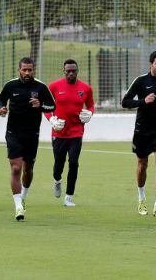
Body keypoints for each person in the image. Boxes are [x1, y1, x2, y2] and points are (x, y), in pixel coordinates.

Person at [0, 57, 56, 221]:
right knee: (16, 168)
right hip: (13, 133)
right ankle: (18, 207)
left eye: (30, 70)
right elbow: (2, 99)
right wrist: (2, 108)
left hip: (32, 134)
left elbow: (52, 105)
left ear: (33, 70)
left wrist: (41, 105)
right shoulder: (11, 86)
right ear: (19, 70)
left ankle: (23, 196)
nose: (27, 73)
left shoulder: (40, 87)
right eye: (24, 70)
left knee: (28, 169)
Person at [122, 50, 156, 217]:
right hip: (142, 131)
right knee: (142, 165)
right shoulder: (140, 81)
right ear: (151, 64)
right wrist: (143, 101)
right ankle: (141, 198)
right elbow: (125, 102)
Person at [47, 59, 94, 207]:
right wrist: (51, 119)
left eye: (74, 71)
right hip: (59, 132)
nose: (71, 73)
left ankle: (69, 197)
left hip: (76, 132)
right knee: (58, 165)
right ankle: (57, 180)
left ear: (77, 71)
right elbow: (46, 106)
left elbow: (91, 105)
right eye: (68, 71)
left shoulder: (85, 88)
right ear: (64, 71)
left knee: (73, 163)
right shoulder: (54, 86)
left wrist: (90, 113)